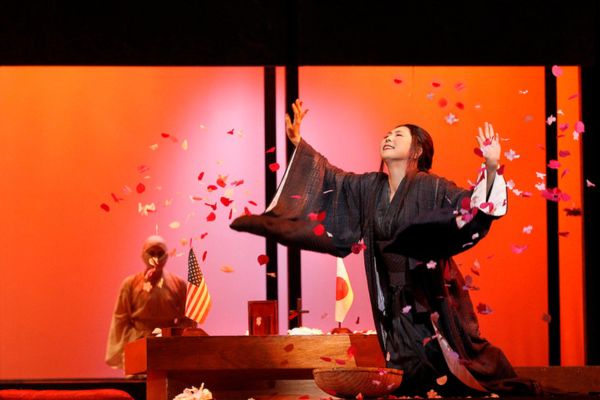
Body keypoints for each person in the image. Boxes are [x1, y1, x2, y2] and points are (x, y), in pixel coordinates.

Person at [231, 100, 541, 396]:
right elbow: (332, 180)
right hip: (392, 299)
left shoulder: (432, 187)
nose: (388, 138)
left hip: (429, 294)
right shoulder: (369, 187)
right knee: (407, 371)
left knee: (455, 359)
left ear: (417, 149)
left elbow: (470, 206)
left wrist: (491, 166)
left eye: (398, 135)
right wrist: (299, 142)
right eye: (387, 134)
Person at [105, 235, 196, 370]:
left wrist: (178, 341)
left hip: (168, 345)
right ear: (143, 255)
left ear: (167, 255)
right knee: (139, 378)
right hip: (138, 342)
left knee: (166, 378)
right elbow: (121, 319)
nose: (156, 257)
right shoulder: (130, 284)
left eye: (160, 253)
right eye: (151, 253)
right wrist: (127, 346)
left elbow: (188, 318)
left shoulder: (178, 284)